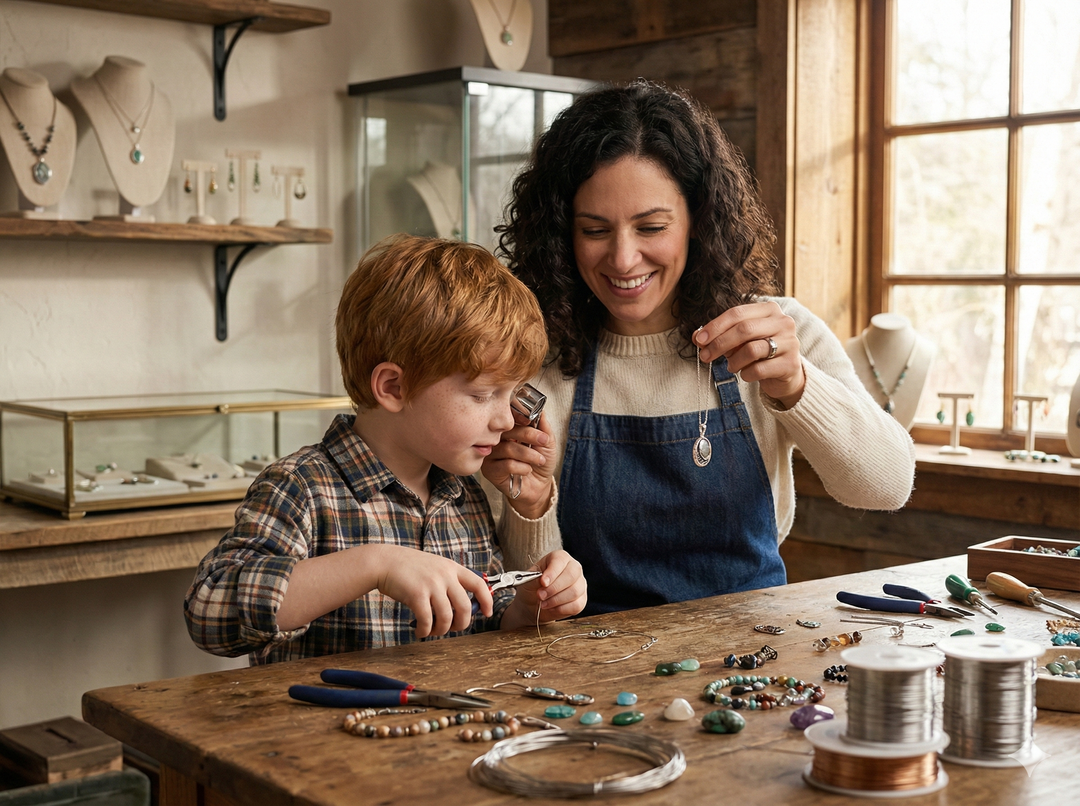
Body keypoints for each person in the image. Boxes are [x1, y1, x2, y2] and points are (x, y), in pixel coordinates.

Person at [481, 80, 916, 615]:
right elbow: (527, 596)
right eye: (595, 230)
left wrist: (798, 386)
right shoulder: (535, 360)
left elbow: (887, 486)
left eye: (651, 227)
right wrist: (532, 507)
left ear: (698, 221)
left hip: (754, 655)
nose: (622, 258)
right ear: (560, 233)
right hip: (591, 666)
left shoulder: (776, 331)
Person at [185, 234, 587, 664]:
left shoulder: (461, 494)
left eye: (510, 396)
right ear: (393, 387)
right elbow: (209, 612)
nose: (506, 420)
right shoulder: (301, 488)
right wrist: (375, 565)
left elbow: (483, 626)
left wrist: (528, 608)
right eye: (482, 395)